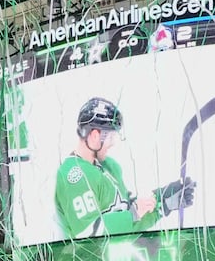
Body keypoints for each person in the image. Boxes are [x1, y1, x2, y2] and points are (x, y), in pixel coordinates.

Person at [53, 98, 194, 239]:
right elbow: (88, 233)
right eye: (111, 136)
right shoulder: (73, 176)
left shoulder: (110, 166)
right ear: (95, 135)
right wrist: (133, 213)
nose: (113, 143)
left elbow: (128, 220)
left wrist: (162, 202)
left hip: (123, 258)